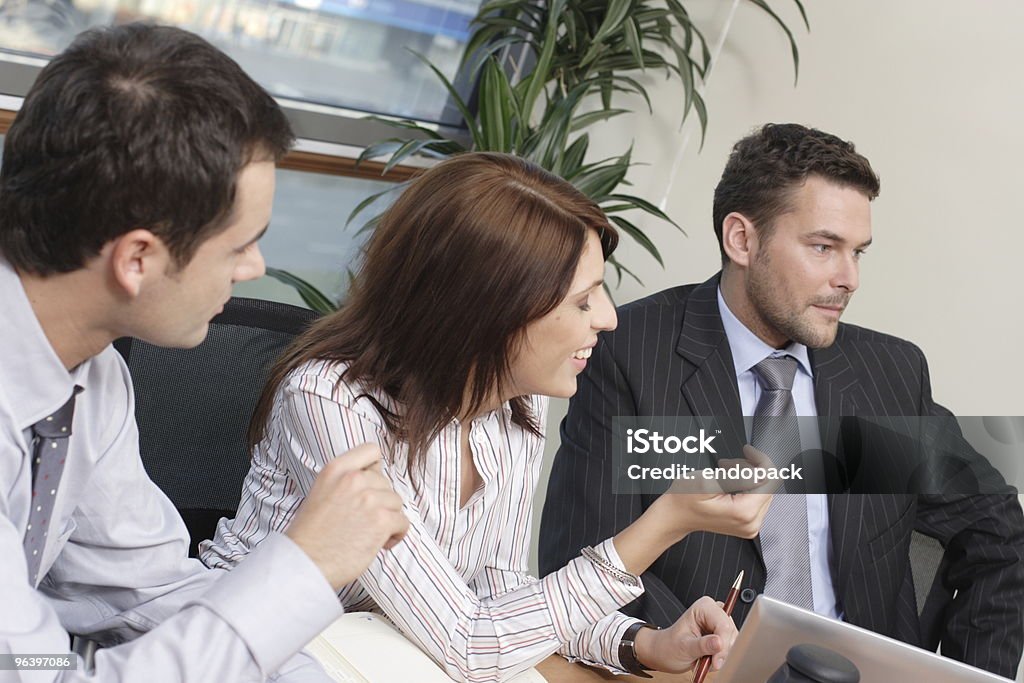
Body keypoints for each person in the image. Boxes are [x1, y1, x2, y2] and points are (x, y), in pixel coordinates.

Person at [200, 151, 777, 682]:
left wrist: (641, 643)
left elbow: (498, 596)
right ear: (487, 310)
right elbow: (470, 642)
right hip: (251, 657)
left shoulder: (517, 399)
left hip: (389, 657)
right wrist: (663, 523)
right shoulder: (330, 400)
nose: (608, 318)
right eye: (582, 300)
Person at [538, 123, 1024, 678]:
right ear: (741, 240)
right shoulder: (632, 355)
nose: (849, 278)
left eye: (858, 252)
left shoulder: (888, 373)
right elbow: (585, 560)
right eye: (823, 247)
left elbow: (998, 534)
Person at [0, 24, 409, 682]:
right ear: (137, 258)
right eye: (240, 244)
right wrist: (305, 565)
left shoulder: (88, 370)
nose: (255, 267)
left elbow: (155, 592)